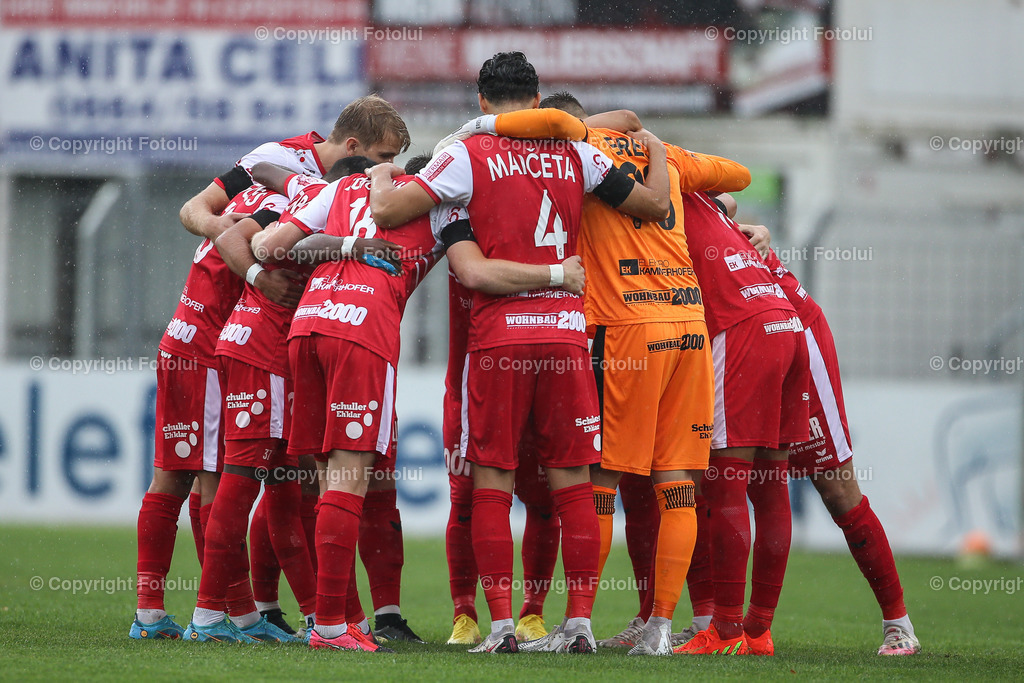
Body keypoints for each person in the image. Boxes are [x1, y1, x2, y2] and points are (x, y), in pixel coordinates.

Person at [367, 51, 672, 654]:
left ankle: (500, 625)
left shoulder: (465, 154)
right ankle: (578, 623)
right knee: (573, 482)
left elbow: (388, 211)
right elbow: (654, 207)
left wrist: (382, 176)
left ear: (482, 101)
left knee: (492, 482)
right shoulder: (576, 154)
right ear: (537, 103)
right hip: (565, 337)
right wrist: (658, 152)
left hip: (500, 340)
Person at [534, 91, 751, 656]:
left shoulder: (571, 152)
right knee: (677, 483)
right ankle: (658, 627)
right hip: (689, 326)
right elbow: (739, 175)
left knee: (600, 483)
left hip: (626, 329)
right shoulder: (664, 154)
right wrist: (657, 147)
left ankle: (577, 624)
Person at [705, 199, 920, 656]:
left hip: (796, 332)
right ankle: (730, 627)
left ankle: (898, 623)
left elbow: (724, 196)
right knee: (720, 482)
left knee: (838, 493)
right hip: (743, 337)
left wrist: (751, 229)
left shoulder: (650, 181)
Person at [671, 191, 809, 656]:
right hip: (786, 324)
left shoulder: (652, 190)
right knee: (771, 488)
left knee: (724, 486)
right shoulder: (705, 200)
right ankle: (759, 630)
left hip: (740, 327)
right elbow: (727, 197)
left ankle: (726, 631)